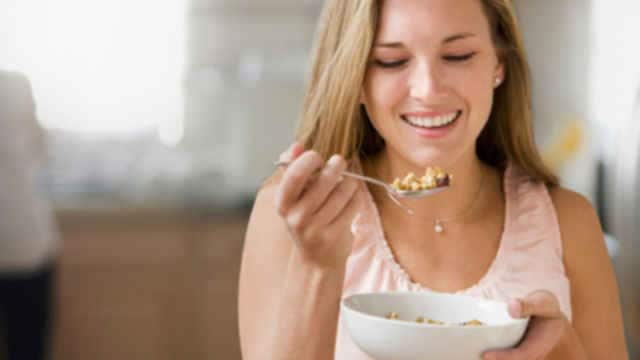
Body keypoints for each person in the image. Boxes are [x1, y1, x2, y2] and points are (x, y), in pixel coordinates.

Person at [238, 0, 629, 359]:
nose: (428, 90)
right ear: (355, 78)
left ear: (499, 63)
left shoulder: (568, 222)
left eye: (458, 56)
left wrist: (565, 350)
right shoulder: (293, 218)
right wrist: (317, 266)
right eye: (391, 62)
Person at [0, 70, 59, 360]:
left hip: (24, 241)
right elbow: (45, 149)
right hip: (27, 244)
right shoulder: (16, 85)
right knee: (27, 349)